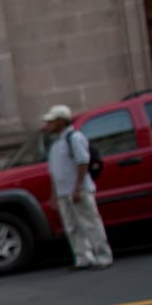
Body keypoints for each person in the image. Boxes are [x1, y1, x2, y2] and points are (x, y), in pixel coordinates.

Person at [41, 104, 113, 270]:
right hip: (64, 193)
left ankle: (103, 256)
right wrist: (54, 195)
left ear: (61, 121)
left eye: (51, 121)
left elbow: (82, 162)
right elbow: (54, 172)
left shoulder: (74, 138)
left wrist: (78, 187)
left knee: (90, 223)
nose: (48, 125)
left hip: (77, 190)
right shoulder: (55, 144)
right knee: (72, 226)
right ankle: (83, 258)